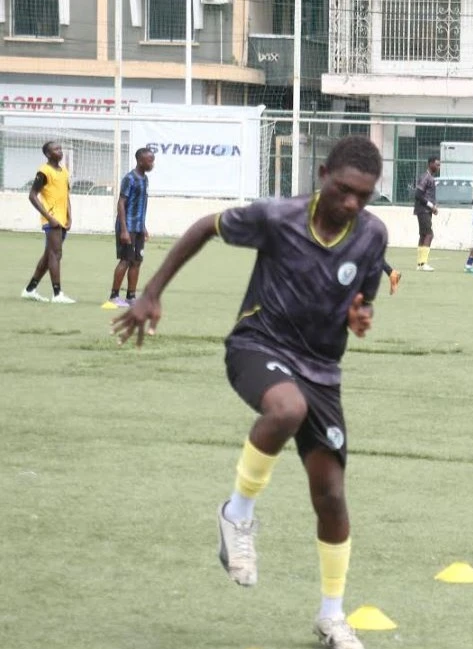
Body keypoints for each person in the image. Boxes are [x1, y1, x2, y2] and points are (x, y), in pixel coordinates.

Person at [112, 136, 390, 649]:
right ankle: (236, 514)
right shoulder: (276, 217)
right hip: (257, 345)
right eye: (345, 190)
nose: (352, 203)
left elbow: (361, 297)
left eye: (364, 196)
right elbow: (204, 228)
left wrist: (360, 312)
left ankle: (332, 616)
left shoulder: (372, 235)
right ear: (323, 173)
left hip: (322, 369)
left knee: (331, 496)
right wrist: (150, 293)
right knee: (286, 407)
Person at [21, 141, 75, 304]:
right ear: (48, 154)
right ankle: (57, 294)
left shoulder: (64, 171)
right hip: (51, 219)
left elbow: (66, 195)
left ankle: (30, 290)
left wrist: (69, 216)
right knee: (56, 254)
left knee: (48, 257)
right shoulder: (44, 171)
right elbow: (32, 195)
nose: (60, 151)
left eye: (60, 148)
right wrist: (49, 217)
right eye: (55, 149)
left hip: (62, 219)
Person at [104, 148, 155, 309]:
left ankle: (131, 297)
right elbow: (121, 203)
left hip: (138, 227)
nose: (152, 164)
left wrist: (143, 226)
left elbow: (139, 204)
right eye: (150, 161)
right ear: (140, 161)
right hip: (127, 227)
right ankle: (113, 296)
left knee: (137, 261)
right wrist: (124, 230)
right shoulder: (129, 178)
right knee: (125, 260)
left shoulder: (145, 179)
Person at [413, 156, 439, 271]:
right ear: (430, 164)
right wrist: (431, 206)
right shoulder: (426, 177)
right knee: (429, 234)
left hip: (424, 210)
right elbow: (418, 195)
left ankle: (419, 264)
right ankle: (423, 263)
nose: (438, 167)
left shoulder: (430, 178)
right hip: (423, 210)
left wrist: (433, 206)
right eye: (437, 164)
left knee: (423, 235)